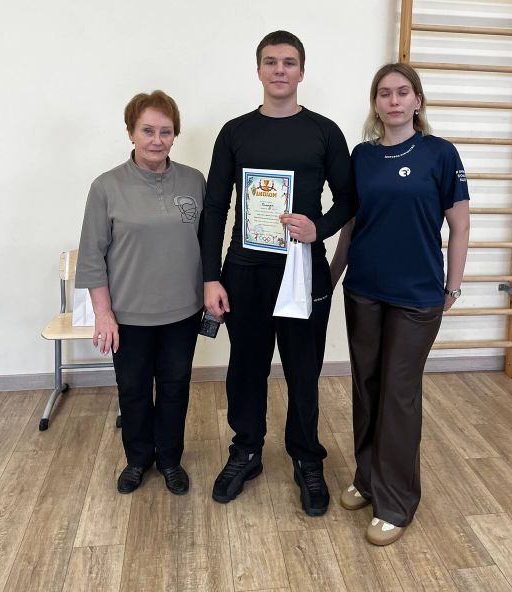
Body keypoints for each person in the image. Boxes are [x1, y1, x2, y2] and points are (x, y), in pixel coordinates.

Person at [202, 30, 352, 516]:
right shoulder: (235, 132)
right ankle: (245, 451)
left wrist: (318, 228)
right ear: (259, 70)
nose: (280, 70)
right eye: (271, 62)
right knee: (245, 368)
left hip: (302, 272)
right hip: (244, 273)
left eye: (289, 62)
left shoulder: (324, 132)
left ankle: (307, 458)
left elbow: (349, 200)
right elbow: (214, 208)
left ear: (302, 72)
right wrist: (210, 277)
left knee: (303, 371)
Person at [330, 63, 470, 545]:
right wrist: (332, 276)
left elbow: (460, 225)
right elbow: (351, 224)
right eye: (384, 93)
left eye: (402, 92)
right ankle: (368, 479)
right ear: (375, 103)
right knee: (367, 388)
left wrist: (453, 287)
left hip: (417, 297)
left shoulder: (440, 154)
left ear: (417, 101)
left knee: (398, 395)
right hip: (364, 290)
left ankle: (396, 503)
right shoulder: (362, 156)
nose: (393, 100)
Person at [75, 90, 206, 496]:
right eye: (148, 130)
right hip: (128, 316)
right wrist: (103, 314)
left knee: (175, 387)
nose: (157, 140)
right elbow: (92, 256)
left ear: (175, 135)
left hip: (183, 312)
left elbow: (207, 242)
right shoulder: (106, 187)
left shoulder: (194, 181)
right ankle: (137, 459)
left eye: (166, 131)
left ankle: (169, 459)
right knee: (132, 390)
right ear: (131, 132)